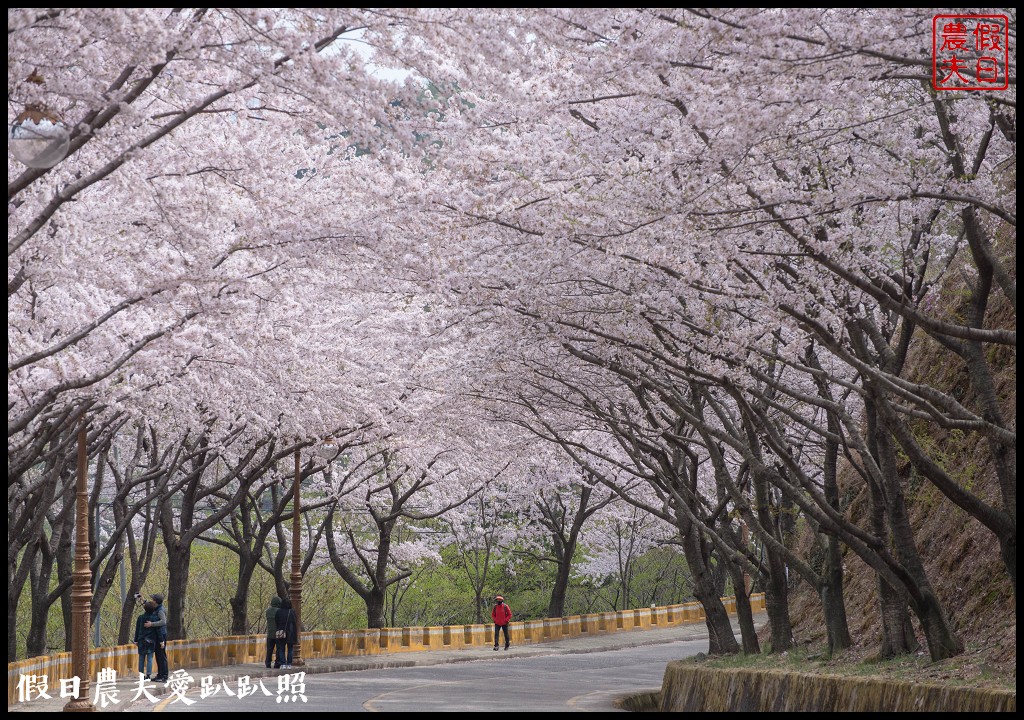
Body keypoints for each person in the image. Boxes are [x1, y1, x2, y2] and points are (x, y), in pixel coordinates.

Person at [144, 593, 169, 682]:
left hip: (161, 635)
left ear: (156, 601)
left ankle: (164, 676)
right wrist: (142, 600)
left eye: (153, 599)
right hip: (158, 634)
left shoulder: (160, 610)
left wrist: (152, 624)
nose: (152, 601)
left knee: (161, 655)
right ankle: (160, 674)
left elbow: (163, 621)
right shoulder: (157, 608)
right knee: (158, 656)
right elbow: (149, 606)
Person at [133, 600, 160, 679]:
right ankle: (148, 674)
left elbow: (137, 629)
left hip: (141, 640)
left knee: (141, 657)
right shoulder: (155, 618)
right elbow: (157, 630)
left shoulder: (140, 618)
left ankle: (141, 674)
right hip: (151, 640)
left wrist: (136, 640)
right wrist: (160, 640)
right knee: (150, 657)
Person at [274, 597, 298, 669]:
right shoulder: (292, 612)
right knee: (290, 648)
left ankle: (283, 664)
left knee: (281, 648)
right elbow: (295, 621)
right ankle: (289, 664)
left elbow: (276, 621)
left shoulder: (279, 611)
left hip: (281, 632)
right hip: (291, 632)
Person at [265, 596, 283, 668]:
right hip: (278, 633)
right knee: (278, 649)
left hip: (270, 633)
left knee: (269, 649)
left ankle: (268, 662)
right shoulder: (280, 611)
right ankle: (277, 663)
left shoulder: (268, 611)